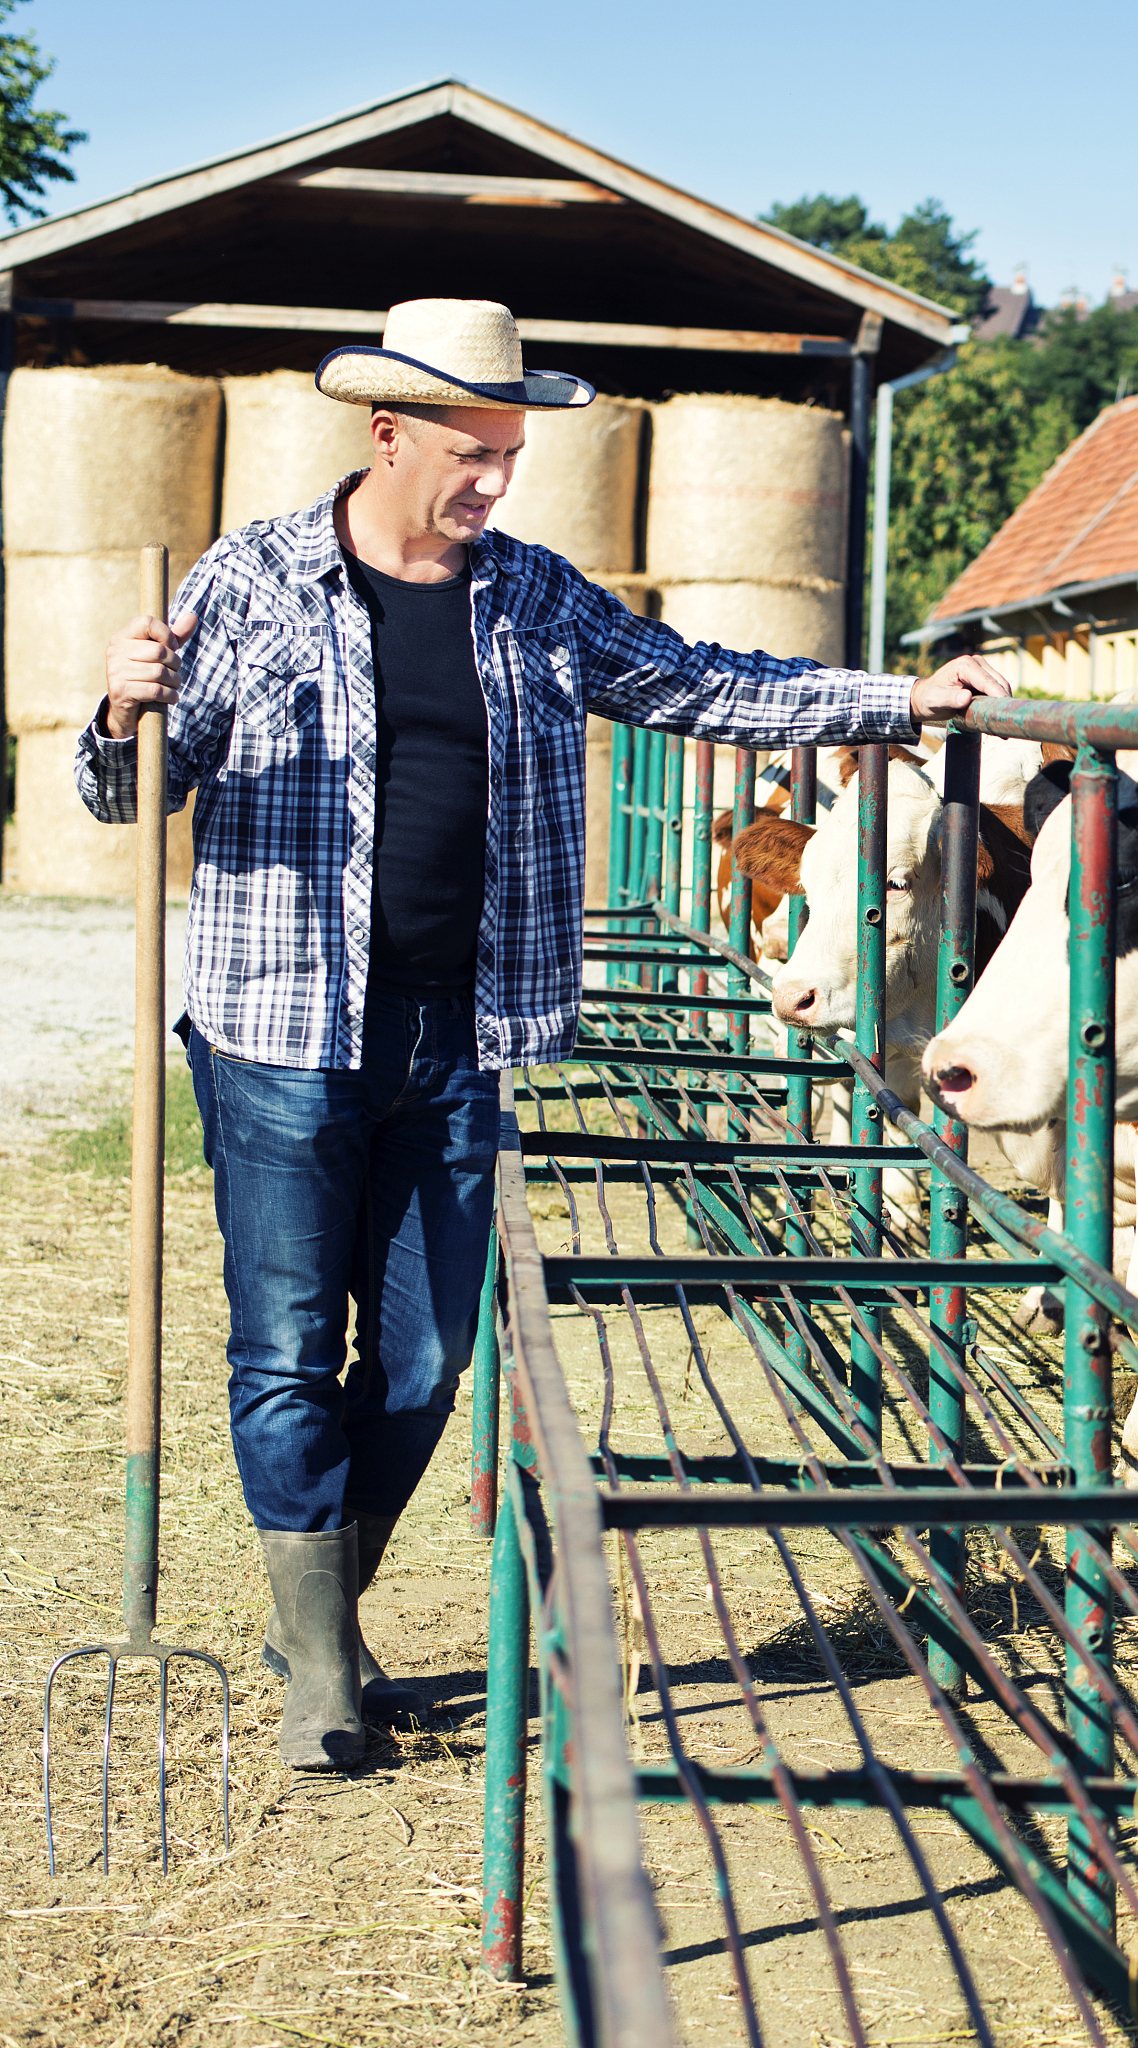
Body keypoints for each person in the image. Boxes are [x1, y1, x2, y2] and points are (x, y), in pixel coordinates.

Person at [79, 298, 1008, 1770]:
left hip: (461, 1029)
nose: (498, 481)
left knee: (431, 1353)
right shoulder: (251, 580)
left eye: (511, 452)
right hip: (274, 1027)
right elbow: (132, 794)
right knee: (282, 1349)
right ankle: (324, 1667)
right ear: (387, 433)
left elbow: (702, 680)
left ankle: (317, 1606)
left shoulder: (528, 595)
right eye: (475, 452)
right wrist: (123, 708)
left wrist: (896, 693)